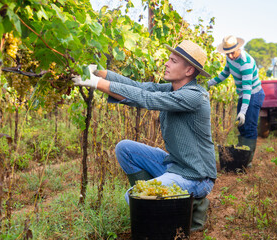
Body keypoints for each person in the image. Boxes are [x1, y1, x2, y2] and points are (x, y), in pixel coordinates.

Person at [72, 40, 217, 231]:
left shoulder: (195, 96)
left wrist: (96, 83)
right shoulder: (173, 88)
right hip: (175, 166)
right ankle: (160, 200)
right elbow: (138, 87)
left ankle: (183, 211)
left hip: (196, 177)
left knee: (133, 196)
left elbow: (147, 99)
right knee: (125, 149)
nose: (166, 63)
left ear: (189, 70)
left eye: (173, 61)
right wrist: (98, 72)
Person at [208, 35, 265, 165]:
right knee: (241, 126)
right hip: (243, 95)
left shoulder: (246, 63)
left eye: (232, 53)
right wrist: (208, 84)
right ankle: (241, 156)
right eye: (228, 54)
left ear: (239, 48)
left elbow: (247, 89)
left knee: (249, 127)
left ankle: (247, 162)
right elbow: (224, 74)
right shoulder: (229, 59)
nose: (231, 56)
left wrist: (243, 111)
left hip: (254, 95)